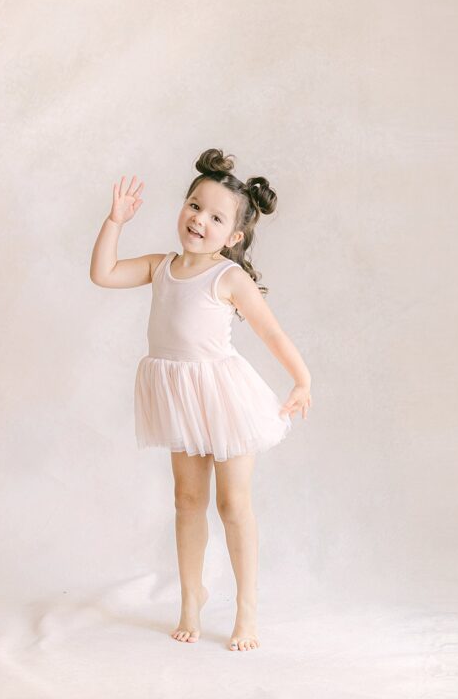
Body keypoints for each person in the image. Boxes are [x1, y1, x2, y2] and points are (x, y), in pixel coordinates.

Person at [89, 147, 312, 652]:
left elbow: (272, 334)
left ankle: (246, 610)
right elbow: (102, 274)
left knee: (233, 504)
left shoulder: (228, 277)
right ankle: (191, 599)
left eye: (215, 217)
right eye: (194, 206)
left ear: (232, 237)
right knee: (187, 501)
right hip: (180, 397)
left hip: (225, 399)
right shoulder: (159, 266)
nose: (199, 220)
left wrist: (302, 380)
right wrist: (114, 221)